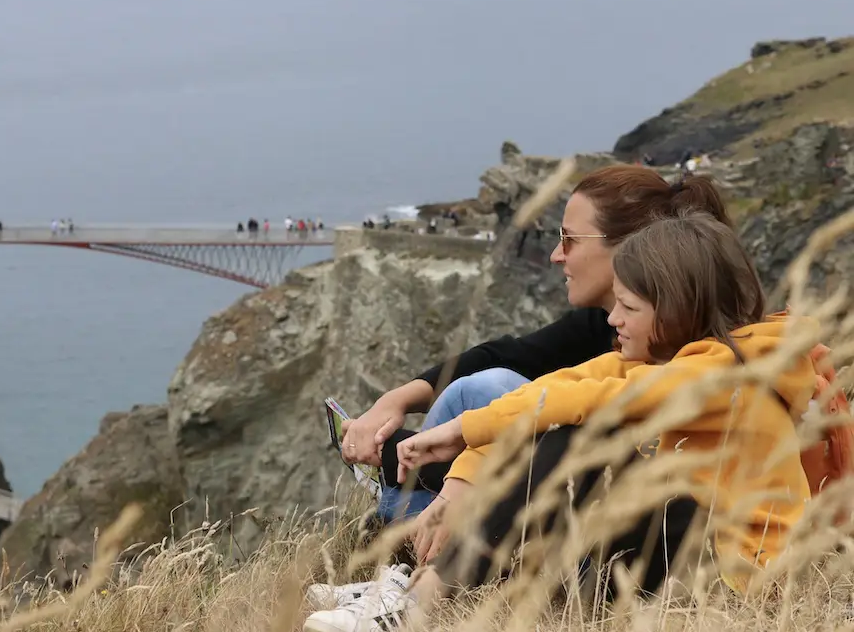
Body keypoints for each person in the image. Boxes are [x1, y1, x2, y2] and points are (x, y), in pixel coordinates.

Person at [305, 214, 814, 632]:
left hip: (729, 579)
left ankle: (419, 603)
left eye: (628, 307)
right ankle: (413, 586)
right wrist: (459, 475)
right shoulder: (662, 362)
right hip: (664, 562)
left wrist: (459, 432)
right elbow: (553, 390)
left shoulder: (735, 372)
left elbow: (599, 400)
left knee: (585, 435)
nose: (612, 319)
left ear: (678, 310)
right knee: (556, 427)